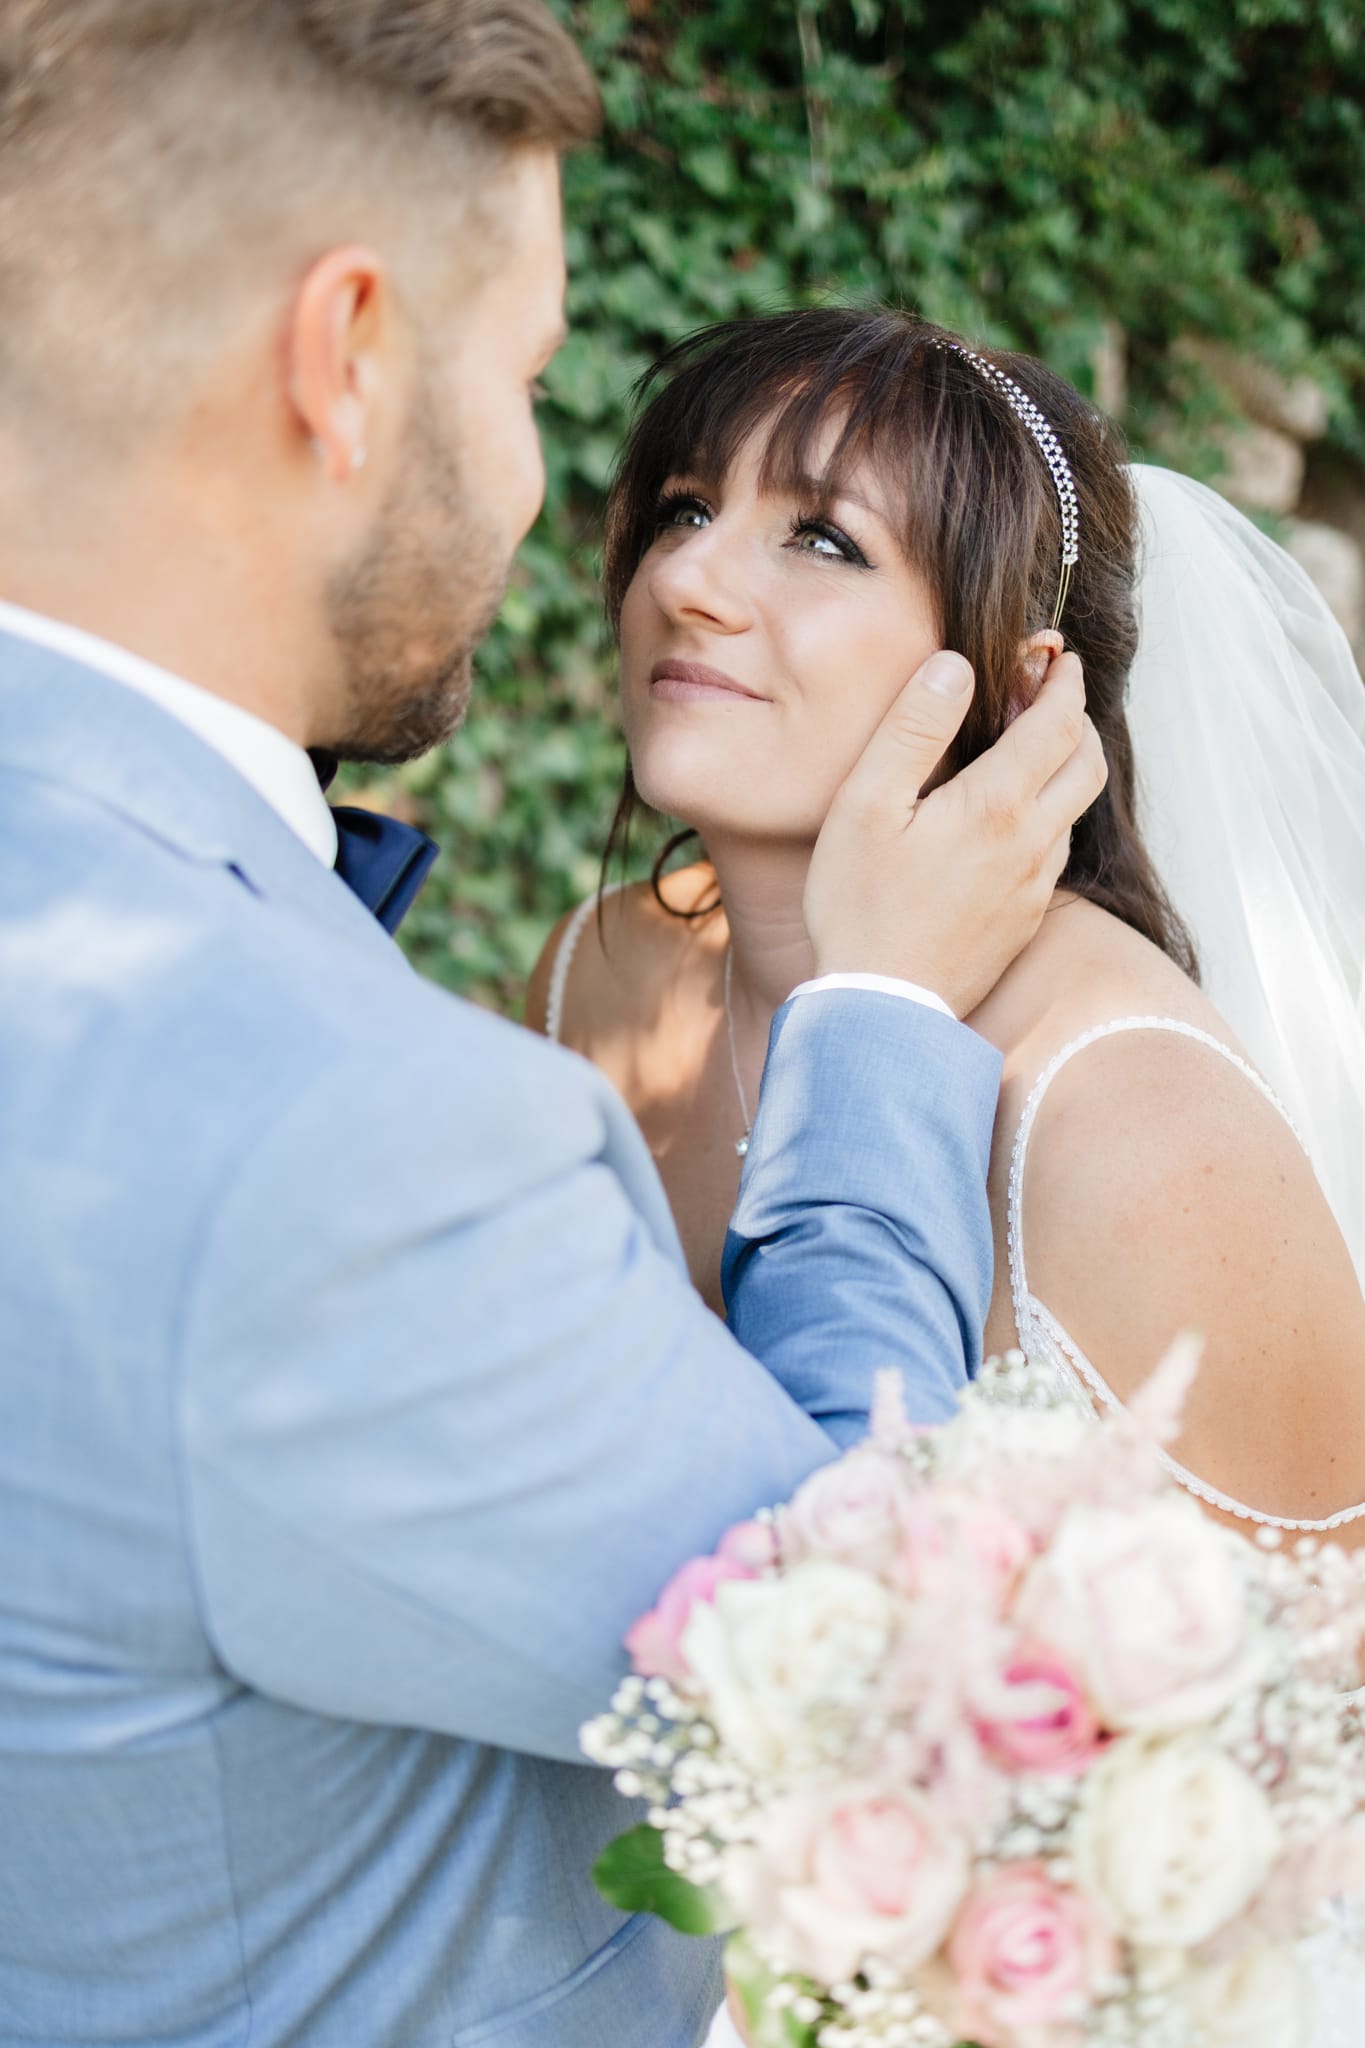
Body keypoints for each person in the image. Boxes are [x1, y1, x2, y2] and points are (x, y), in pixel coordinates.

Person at [0, 11, 1107, 2048]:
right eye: (525, 380)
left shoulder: (1127, 1092)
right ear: (342, 359)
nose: (650, 561)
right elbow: (855, 1676)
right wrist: (869, 1015)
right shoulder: (337, 1140)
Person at [531, 307, 1365, 1539]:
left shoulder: (1129, 1117)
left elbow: (1314, 1693)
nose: (685, 581)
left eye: (821, 537)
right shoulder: (600, 972)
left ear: (1024, 685)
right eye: (684, 510)